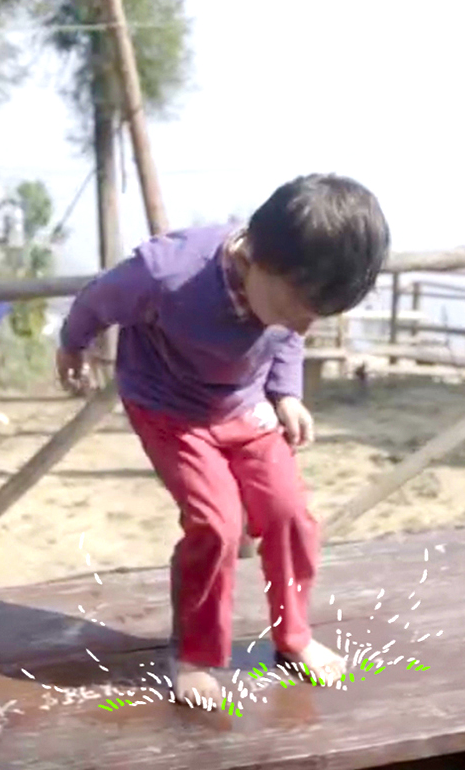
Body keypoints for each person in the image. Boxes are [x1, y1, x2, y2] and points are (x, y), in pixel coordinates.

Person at [55, 175, 390, 708]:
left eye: (314, 317)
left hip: (244, 404)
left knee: (289, 514)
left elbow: (287, 336)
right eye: (296, 311)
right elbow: (98, 300)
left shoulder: (287, 293)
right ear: (255, 257)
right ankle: (194, 653)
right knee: (218, 523)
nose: (302, 326)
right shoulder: (167, 273)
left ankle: (293, 635)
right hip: (170, 408)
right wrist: (72, 346)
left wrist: (286, 393)